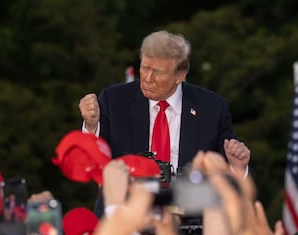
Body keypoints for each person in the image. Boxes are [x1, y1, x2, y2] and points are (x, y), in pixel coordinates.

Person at [78, 30, 251, 218]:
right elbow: (91, 161)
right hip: (125, 221)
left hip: (190, 225)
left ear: (180, 75)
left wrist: (238, 167)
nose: (148, 79)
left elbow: (227, 183)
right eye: (145, 68)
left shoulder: (212, 108)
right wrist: (91, 127)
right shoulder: (114, 101)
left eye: (158, 72)